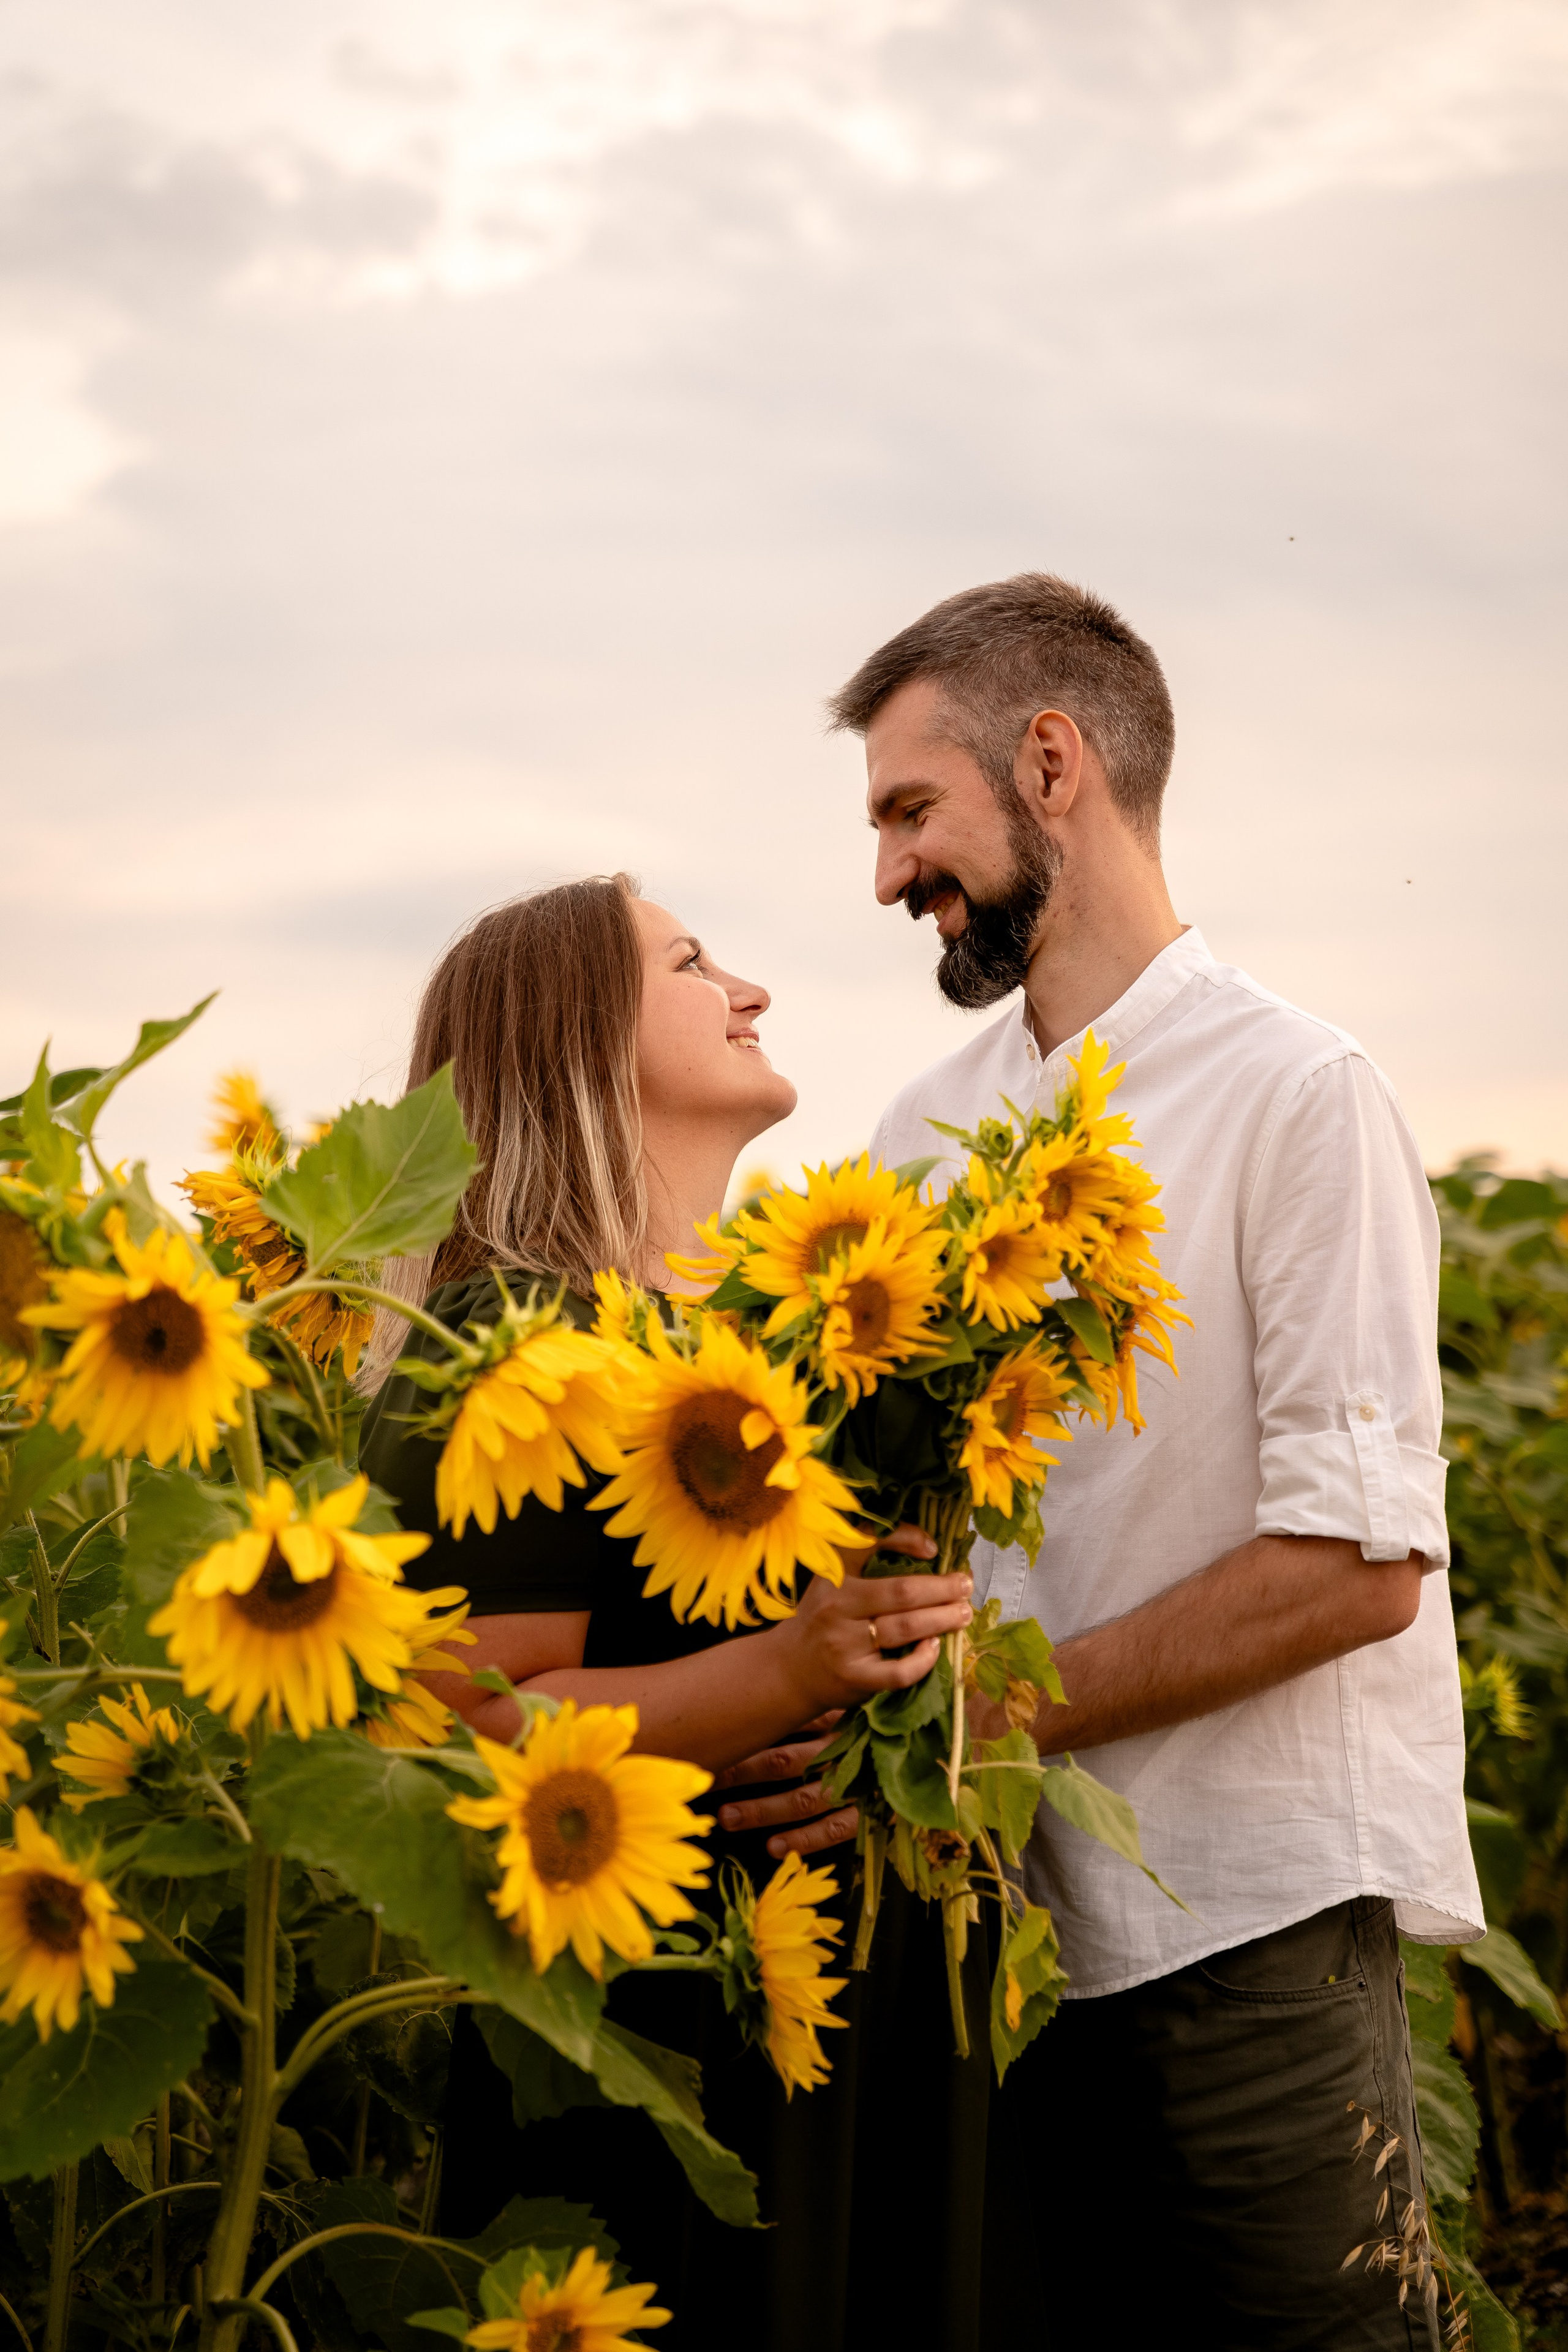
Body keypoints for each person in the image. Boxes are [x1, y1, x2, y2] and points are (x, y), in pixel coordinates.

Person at [718, 575, 1482, 2349]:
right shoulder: (924, 1134)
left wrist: (975, 1715)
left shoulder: (1298, 1094)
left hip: (1246, 1922)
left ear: (1051, 762)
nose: (888, 874)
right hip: (992, 1943)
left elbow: (1360, 1567)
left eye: (913, 810)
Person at [358, 875, 986, 2352]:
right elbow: (465, 1731)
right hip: (661, 2034)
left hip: (827, 2032)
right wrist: (784, 1670)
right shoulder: (516, 1340)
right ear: (573, 1037)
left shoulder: (746, 1347)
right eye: (693, 963)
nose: (749, 989)